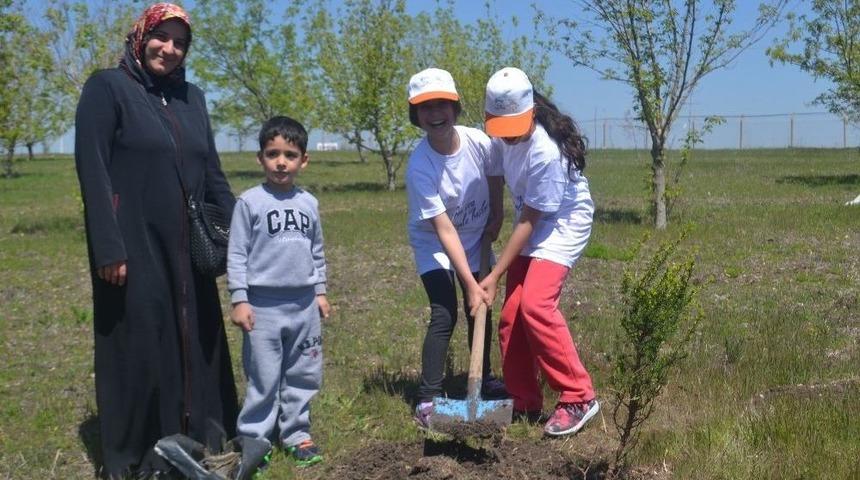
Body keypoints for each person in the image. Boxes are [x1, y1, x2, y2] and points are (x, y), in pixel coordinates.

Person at [74, 3, 239, 477]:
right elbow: (93, 170)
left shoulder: (193, 97)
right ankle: (137, 452)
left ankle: (204, 436)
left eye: (180, 42)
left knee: (196, 336)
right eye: (161, 37)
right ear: (140, 35)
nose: (169, 48)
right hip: (132, 245)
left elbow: (212, 173)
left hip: (189, 248)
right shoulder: (107, 88)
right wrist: (107, 247)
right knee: (141, 342)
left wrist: (241, 235)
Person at [479, 67, 599, 436]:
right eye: (500, 127)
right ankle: (523, 399)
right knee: (512, 316)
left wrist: (494, 275)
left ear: (530, 112)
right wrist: (496, 213)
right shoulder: (502, 132)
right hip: (528, 219)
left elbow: (531, 222)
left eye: (515, 126)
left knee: (535, 305)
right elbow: (496, 171)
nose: (508, 136)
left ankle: (579, 395)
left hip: (562, 223)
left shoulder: (546, 152)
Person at [404, 68, 508, 428]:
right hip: (435, 243)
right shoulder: (420, 166)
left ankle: (484, 378)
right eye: (425, 107)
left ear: (456, 107)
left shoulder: (478, 141)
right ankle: (429, 398)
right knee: (445, 311)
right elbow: (444, 230)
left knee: (482, 310)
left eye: (442, 105)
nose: (435, 114)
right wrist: (468, 282)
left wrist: (497, 213)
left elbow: (495, 174)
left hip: (477, 235)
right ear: (415, 115)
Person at [227, 116, 330, 467]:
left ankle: (297, 434)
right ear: (260, 158)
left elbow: (316, 251)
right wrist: (240, 299)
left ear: (304, 160)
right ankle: (255, 439)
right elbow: (237, 254)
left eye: (290, 154)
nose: (281, 162)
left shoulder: (309, 203)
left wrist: (319, 291)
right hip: (263, 307)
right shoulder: (250, 202)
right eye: (273, 154)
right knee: (264, 376)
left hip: (303, 306)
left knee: (304, 372)